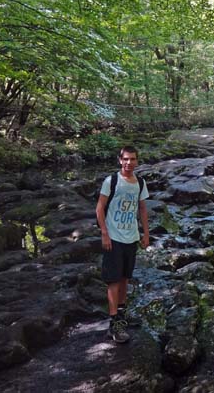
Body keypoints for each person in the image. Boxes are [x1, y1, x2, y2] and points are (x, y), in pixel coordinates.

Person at [95, 145, 150, 343]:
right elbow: (100, 208)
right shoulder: (112, 181)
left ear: (137, 161)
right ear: (120, 160)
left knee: (125, 278)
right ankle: (114, 324)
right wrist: (104, 233)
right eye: (125, 159)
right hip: (114, 238)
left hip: (131, 237)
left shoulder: (140, 183)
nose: (129, 163)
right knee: (113, 280)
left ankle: (122, 316)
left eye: (132, 159)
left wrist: (146, 233)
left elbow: (142, 209)